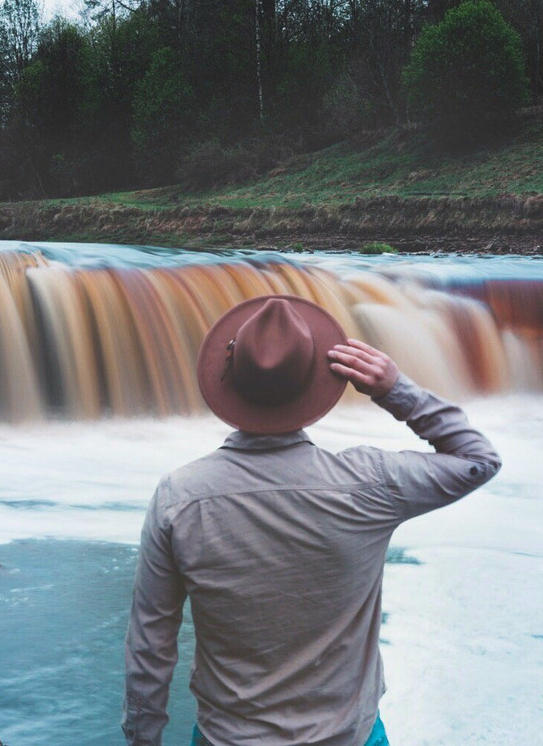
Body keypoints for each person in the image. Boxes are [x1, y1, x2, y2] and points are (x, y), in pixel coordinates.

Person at [122, 295, 501, 746]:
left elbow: (151, 642)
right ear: (319, 381)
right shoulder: (370, 484)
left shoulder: (179, 498)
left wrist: (142, 738)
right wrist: (394, 389)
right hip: (348, 736)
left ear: (228, 380)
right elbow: (478, 460)